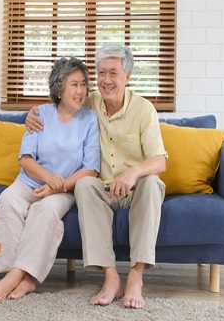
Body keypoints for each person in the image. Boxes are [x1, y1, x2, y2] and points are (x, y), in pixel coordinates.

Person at [26, 44, 167, 309]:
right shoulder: (89, 102)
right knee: (84, 183)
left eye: (113, 73)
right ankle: (111, 277)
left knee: (152, 183)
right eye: (101, 73)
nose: (106, 80)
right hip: (102, 190)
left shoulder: (144, 110)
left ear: (128, 76)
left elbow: (160, 161)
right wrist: (31, 115)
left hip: (134, 190)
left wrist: (133, 173)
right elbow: (58, 109)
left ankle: (136, 276)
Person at [0, 57, 100, 302]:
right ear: (59, 88)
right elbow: (25, 159)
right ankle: (19, 276)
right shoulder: (40, 114)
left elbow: (91, 169)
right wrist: (48, 178)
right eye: (74, 84)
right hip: (31, 181)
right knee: (7, 201)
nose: (80, 91)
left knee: (44, 211)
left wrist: (56, 186)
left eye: (83, 84)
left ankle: (16, 275)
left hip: (64, 190)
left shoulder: (89, 119)